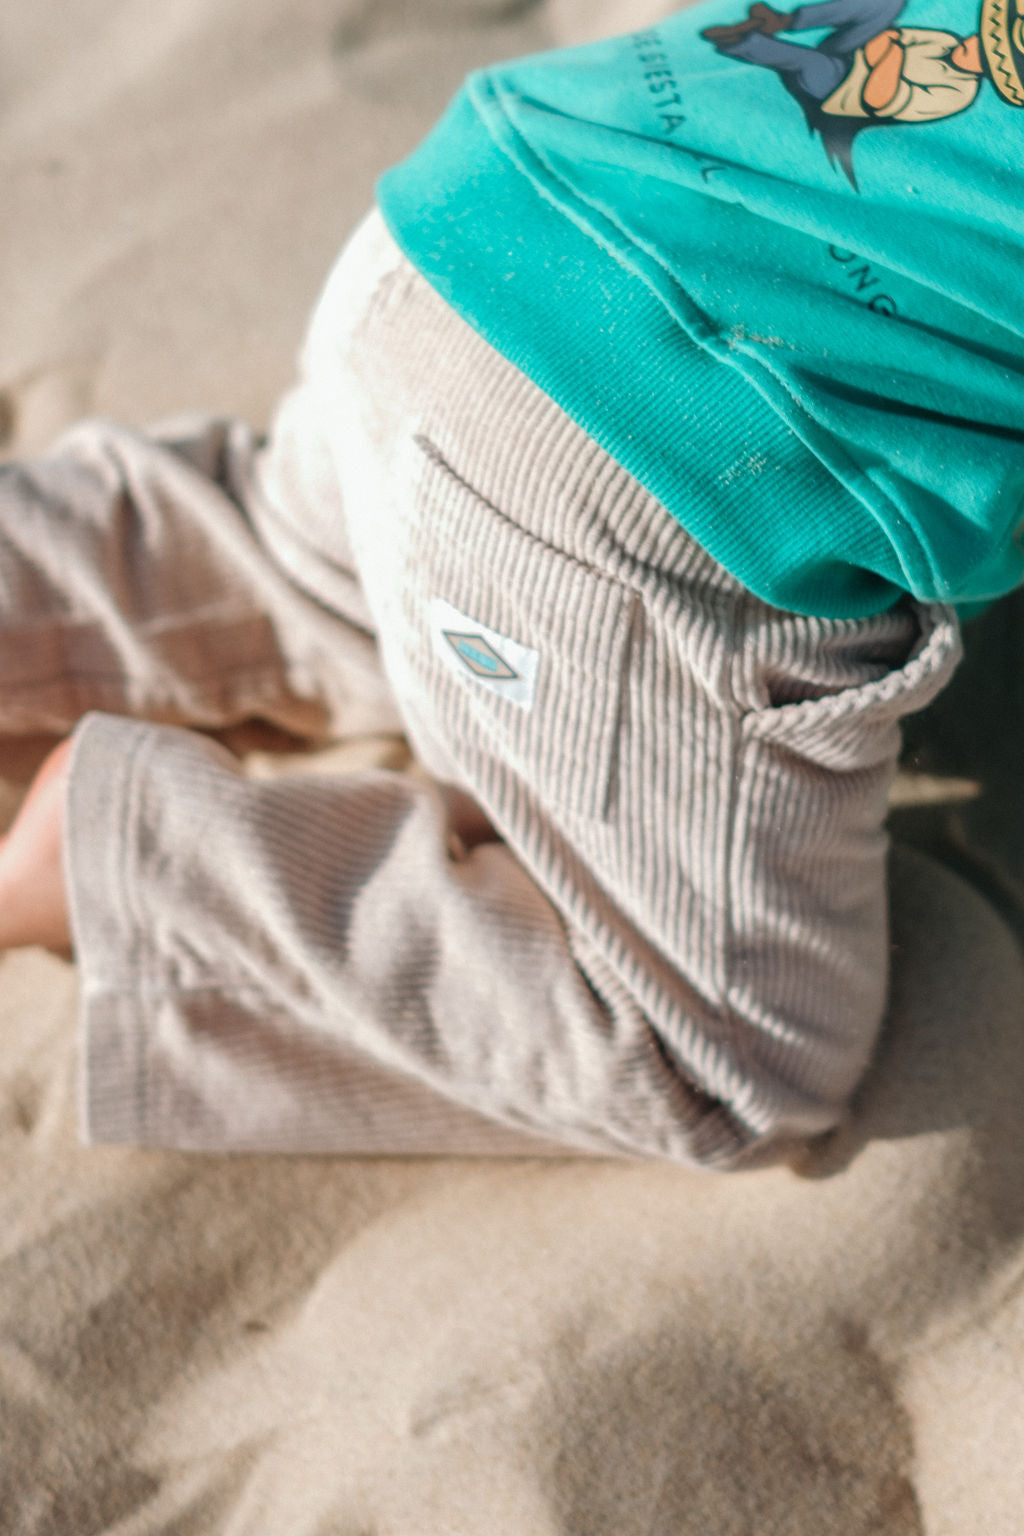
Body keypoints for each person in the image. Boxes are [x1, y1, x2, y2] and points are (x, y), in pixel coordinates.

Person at [1, 0, 1021, 1166]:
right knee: (734, 1059)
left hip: (478, 211)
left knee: (295, 565)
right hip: (660, 456)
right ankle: (133, 859)